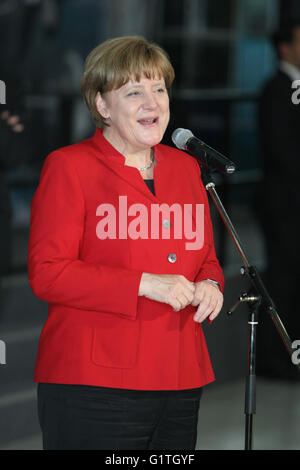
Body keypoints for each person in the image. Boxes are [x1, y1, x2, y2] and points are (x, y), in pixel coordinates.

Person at [28, 36, 224, 450]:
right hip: (95, 384)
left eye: (159, 89)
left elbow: (204, 256)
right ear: (102, 106)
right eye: (134, 92)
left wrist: (212, 284)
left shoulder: (188, 168)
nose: (152, 103)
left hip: (179, 376)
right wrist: (144, 283)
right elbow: (48, 273)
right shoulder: (69, 167)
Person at [256, 22, 300, 381]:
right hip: (284, 205)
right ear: (284, 48)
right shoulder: (276, 88)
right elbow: (282, 151)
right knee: (283, 283)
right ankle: (278, 361)